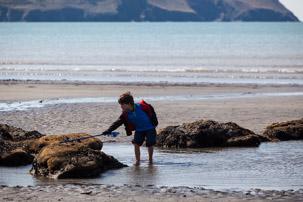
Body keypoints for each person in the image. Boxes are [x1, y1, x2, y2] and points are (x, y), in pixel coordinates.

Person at [102, 91, 158, 163]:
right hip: (139, 129)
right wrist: (108, 130)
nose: (121, 106)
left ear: (129, 103)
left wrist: (155, 123)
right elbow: (118, 122)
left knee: (150, 144)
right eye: (120, 104)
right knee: (136, 144)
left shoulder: (141, 107)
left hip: (150, 128)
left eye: (122, 104)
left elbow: (151, 111)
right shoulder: (125, 113)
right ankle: (137, 161)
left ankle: (150, 160)